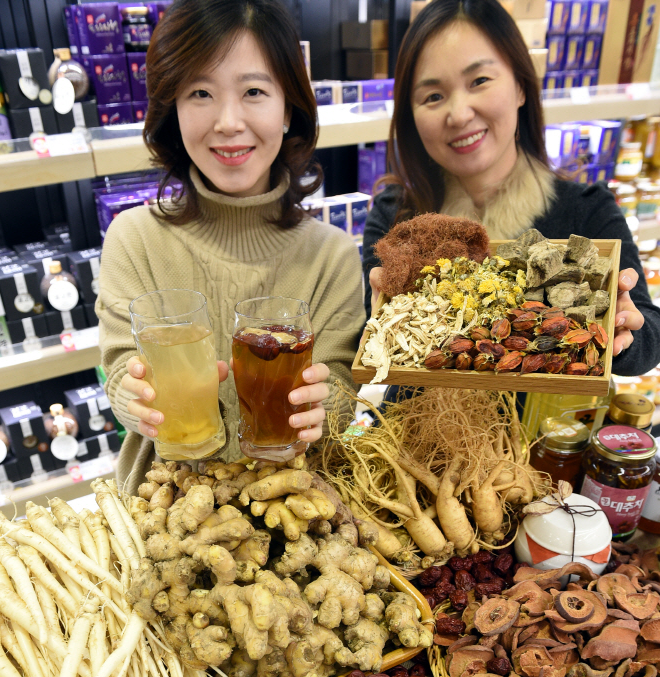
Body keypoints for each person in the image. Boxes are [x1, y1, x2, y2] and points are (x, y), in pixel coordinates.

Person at [98, 0, 364, 494]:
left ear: (289, 110)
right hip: (163, 506)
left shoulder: (333, 255)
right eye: (200, 92)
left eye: (254, 91)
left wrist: (328, 408)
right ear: (171, 110)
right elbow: (118, 369)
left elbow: (341, 385)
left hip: (296, 511)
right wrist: (129, 394)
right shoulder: (133, 238)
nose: (227, 121)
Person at [363, 0, 660, 376]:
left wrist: (625, 331)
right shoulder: (395, 216)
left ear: (521, 85)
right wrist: (377, 316)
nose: (459, 113)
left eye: (479, 81)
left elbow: (650, 332)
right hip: (413, 428)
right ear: (411, 116)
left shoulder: (587, 209)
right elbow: (370, 342)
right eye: (433, 96)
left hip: (549, 432)